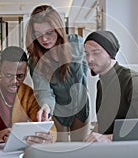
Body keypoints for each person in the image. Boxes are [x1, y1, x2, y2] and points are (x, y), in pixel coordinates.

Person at [83, 31, 138, 142]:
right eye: (86, 53)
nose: (89, 59)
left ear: (110, 53)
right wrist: (90, 138)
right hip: (111, 148)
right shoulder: (102, 83)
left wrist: (109, 138)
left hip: (131, 148)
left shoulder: (132, 80)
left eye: (96, 52)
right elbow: (104, 123)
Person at [25, 5, 90, 142]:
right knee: (59, 149)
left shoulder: (77, 44)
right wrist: (45, 107)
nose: (44, 40)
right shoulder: (35, 60)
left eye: (49, 32)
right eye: (38, 34)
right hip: (56, 109)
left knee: (81, 150)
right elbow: (44, 91)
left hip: (80, 105)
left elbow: (89, 70)